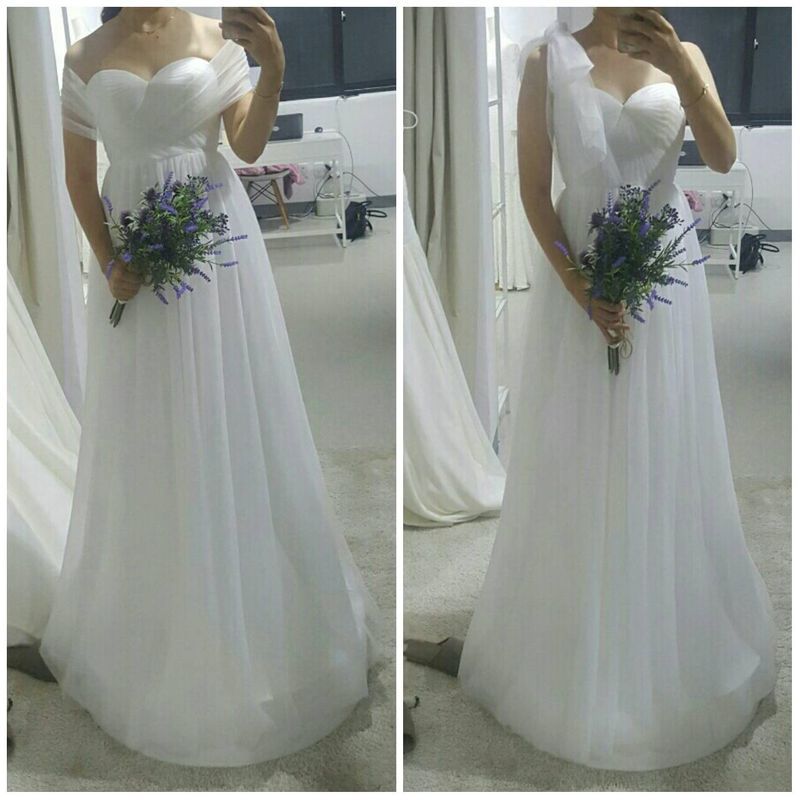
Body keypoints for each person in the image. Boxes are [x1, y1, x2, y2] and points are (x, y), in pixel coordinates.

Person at [425, 8, 775, 771]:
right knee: (578, 452)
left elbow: (721, 158)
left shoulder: (685, 54)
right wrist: (580, 290)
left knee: (662, 447)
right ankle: (576, 626)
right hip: (578, 283)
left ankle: (660, 625)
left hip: (665, 279)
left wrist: (681, 71)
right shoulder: (544, 61)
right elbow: (532, 189)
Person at [41, 7, 378, 767]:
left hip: (216, 249)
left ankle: (249, 608)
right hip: (134, 257)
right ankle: (163, 612)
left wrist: (274, 68)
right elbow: (77, 176)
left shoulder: (212, 35)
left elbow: (248, 145)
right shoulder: (82, 55)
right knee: (149, 433)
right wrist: (109, 259)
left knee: (231, 416)